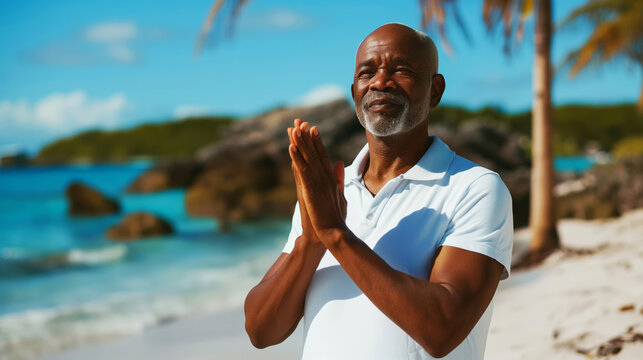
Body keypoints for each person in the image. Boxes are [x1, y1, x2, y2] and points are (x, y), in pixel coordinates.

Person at [244, 23, 513, 359]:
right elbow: (260, 330)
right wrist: (311, 244)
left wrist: (337, 236)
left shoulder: (475, 188)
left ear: (435, 90)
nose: (380, 82)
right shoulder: (329, 195)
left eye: (401, 70)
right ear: (354, 91)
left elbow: (444, 328)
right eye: (366, 72)